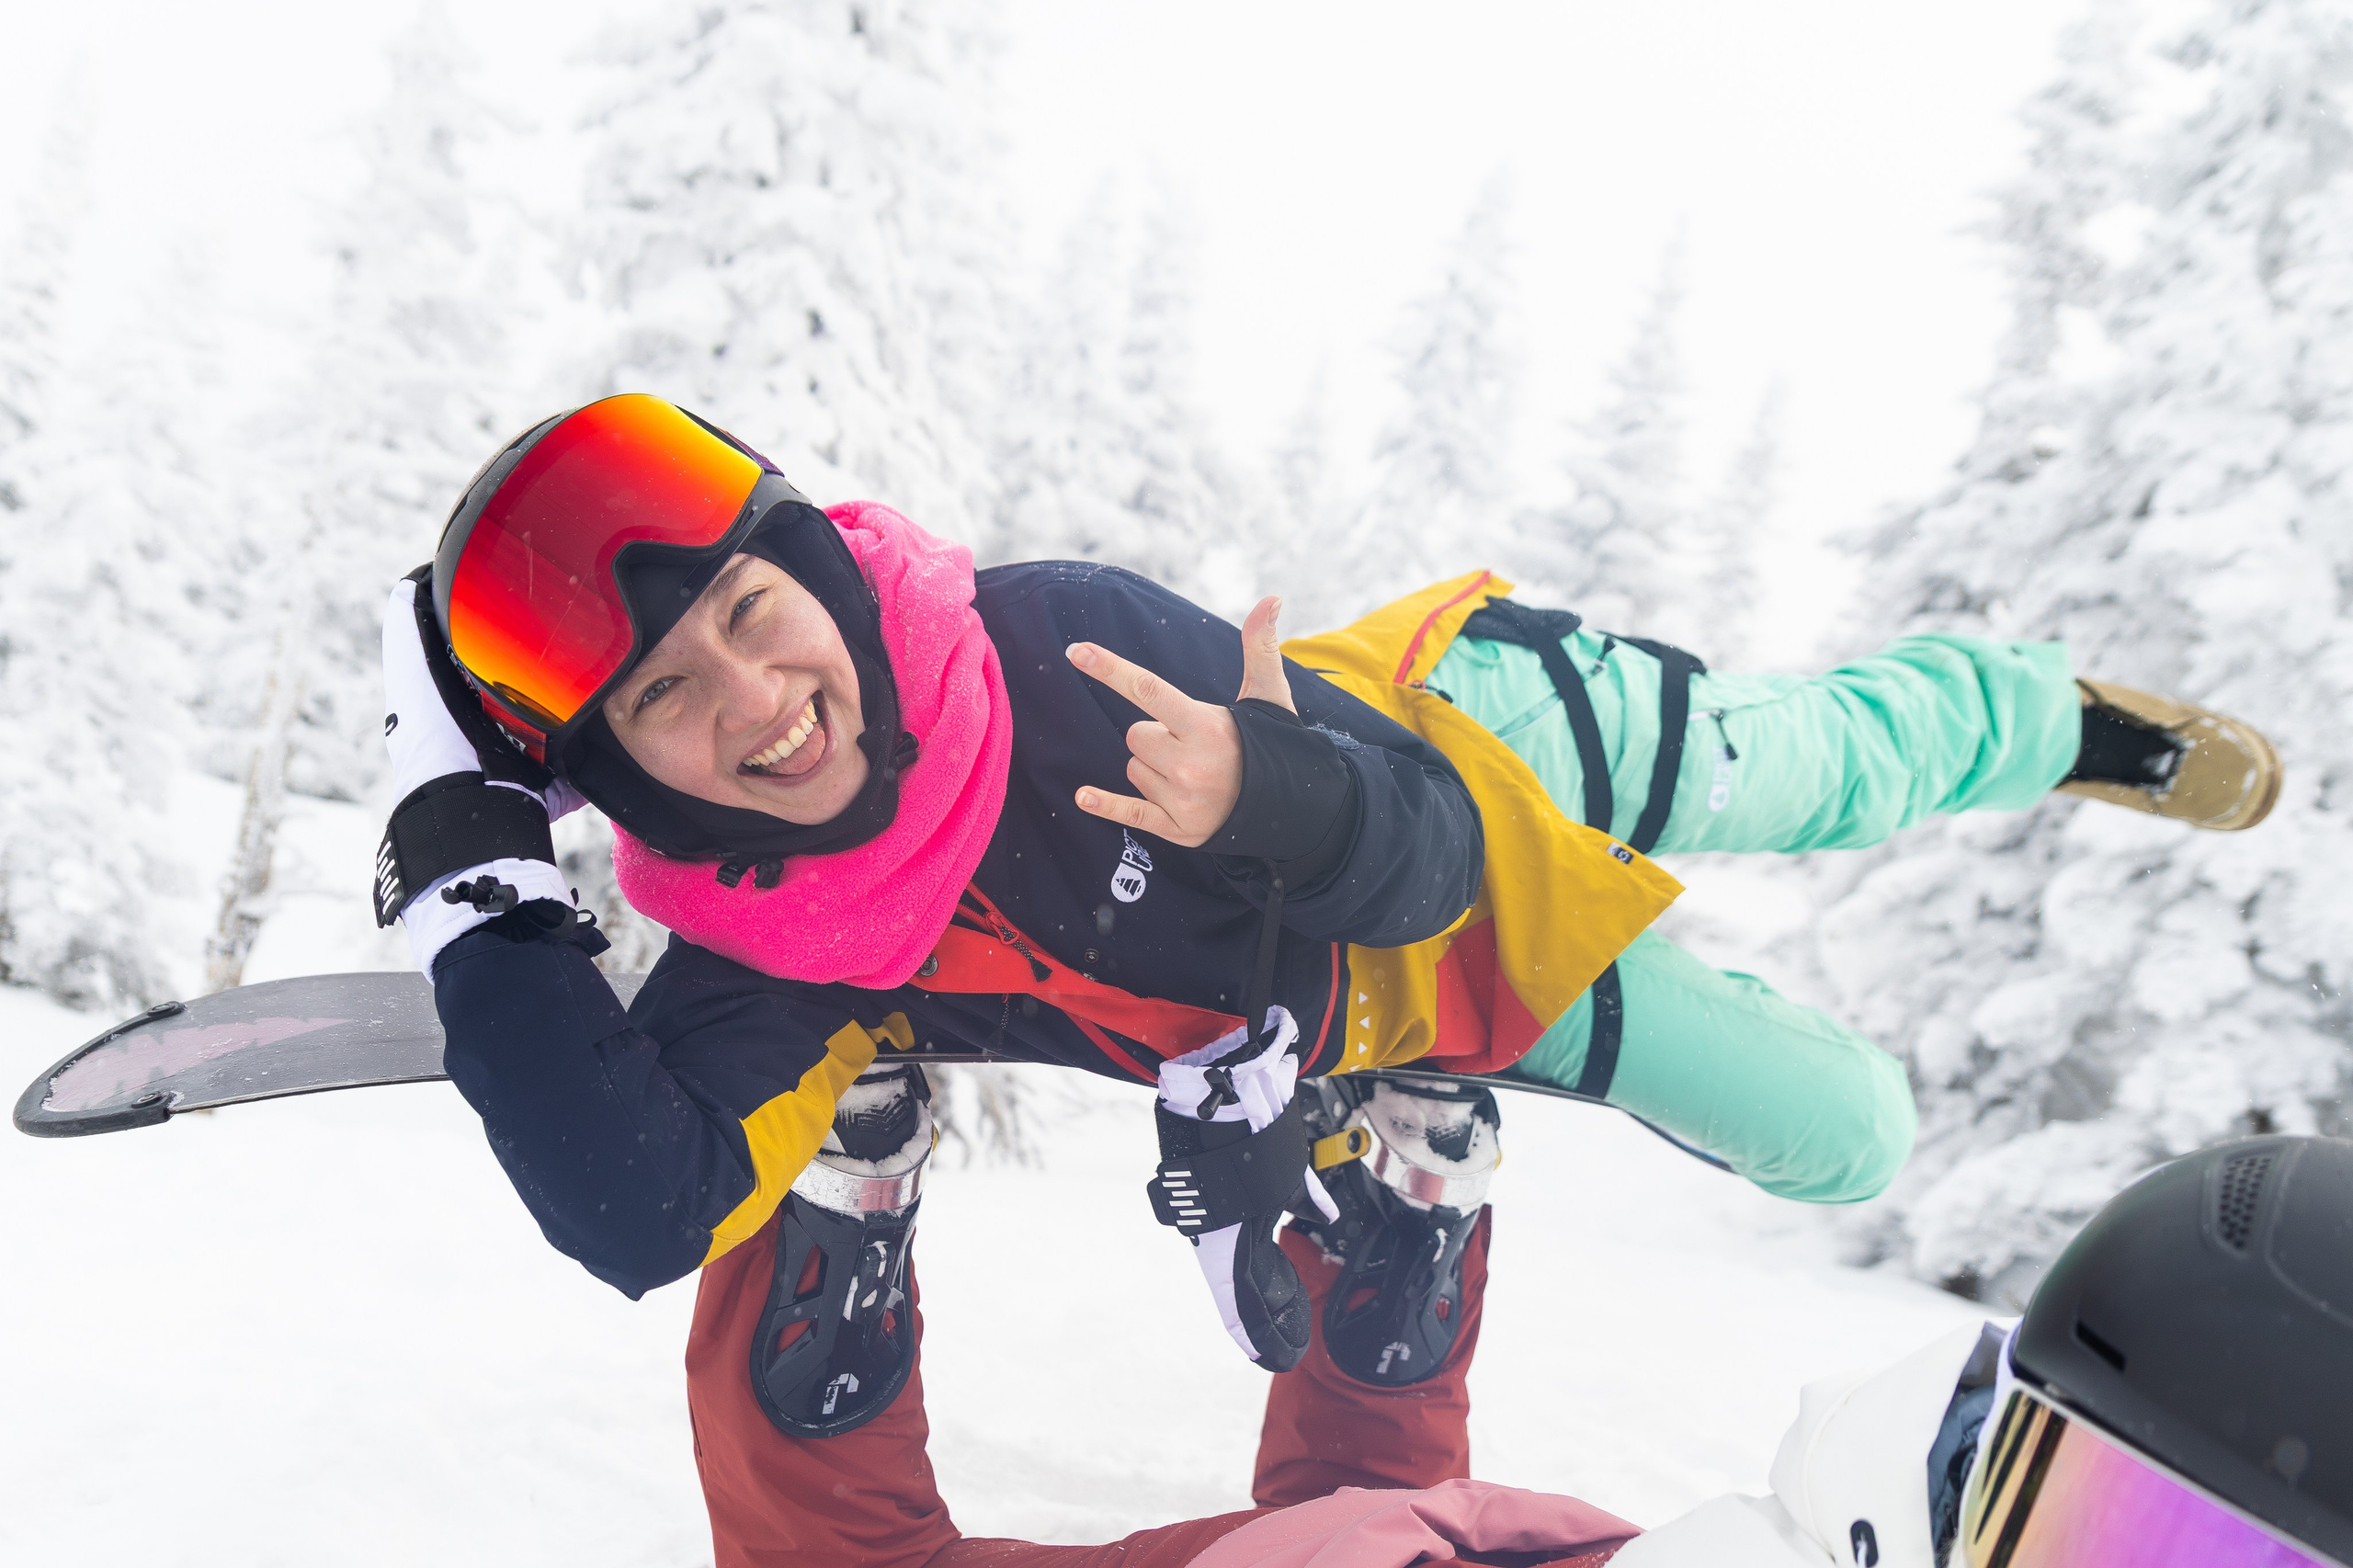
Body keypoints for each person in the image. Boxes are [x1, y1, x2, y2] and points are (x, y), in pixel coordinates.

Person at [375, 392, 2280, 1561]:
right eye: (667, 700)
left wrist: (1258, 787)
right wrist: (477, 899)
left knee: (1803, 764)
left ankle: (2041, 715)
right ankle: (1427, 1143)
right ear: (619, 769)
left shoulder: (1053, 655)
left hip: (1465, 766)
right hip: (1425, 1002)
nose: (758, 700)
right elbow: (635, 1207)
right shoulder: (766, 951)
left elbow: (1424, 839)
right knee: (1843, 1135)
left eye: (748, 614)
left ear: (806, 564)